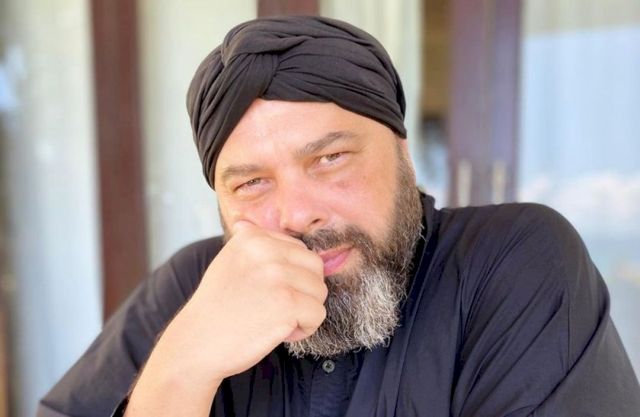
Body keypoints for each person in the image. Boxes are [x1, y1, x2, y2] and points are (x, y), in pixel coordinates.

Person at [38, 16, 640, 417]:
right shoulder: (189, 288)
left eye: (329, 159)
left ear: (402, 154)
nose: (297, 213)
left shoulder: (507, 260)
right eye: (251, 183)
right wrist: (182, 367)